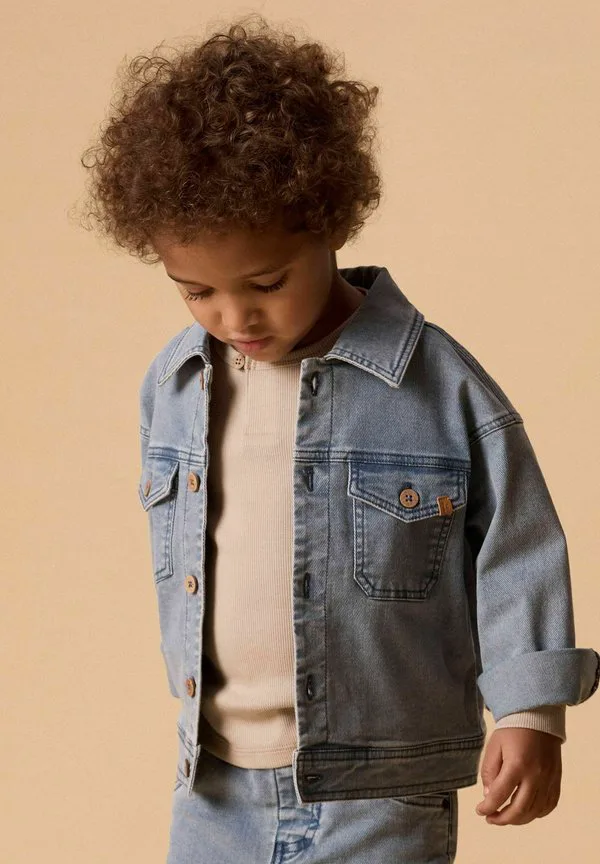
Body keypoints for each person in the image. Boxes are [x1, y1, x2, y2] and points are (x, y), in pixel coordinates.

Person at [76, 13, 599, 863]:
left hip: (378, 794)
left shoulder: (437, 385)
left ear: (329, 222)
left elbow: (519, 546)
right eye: (196, 291)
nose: (234, 317)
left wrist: (531, 713)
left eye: (266, 282)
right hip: (214, 788)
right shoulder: (173, 385)